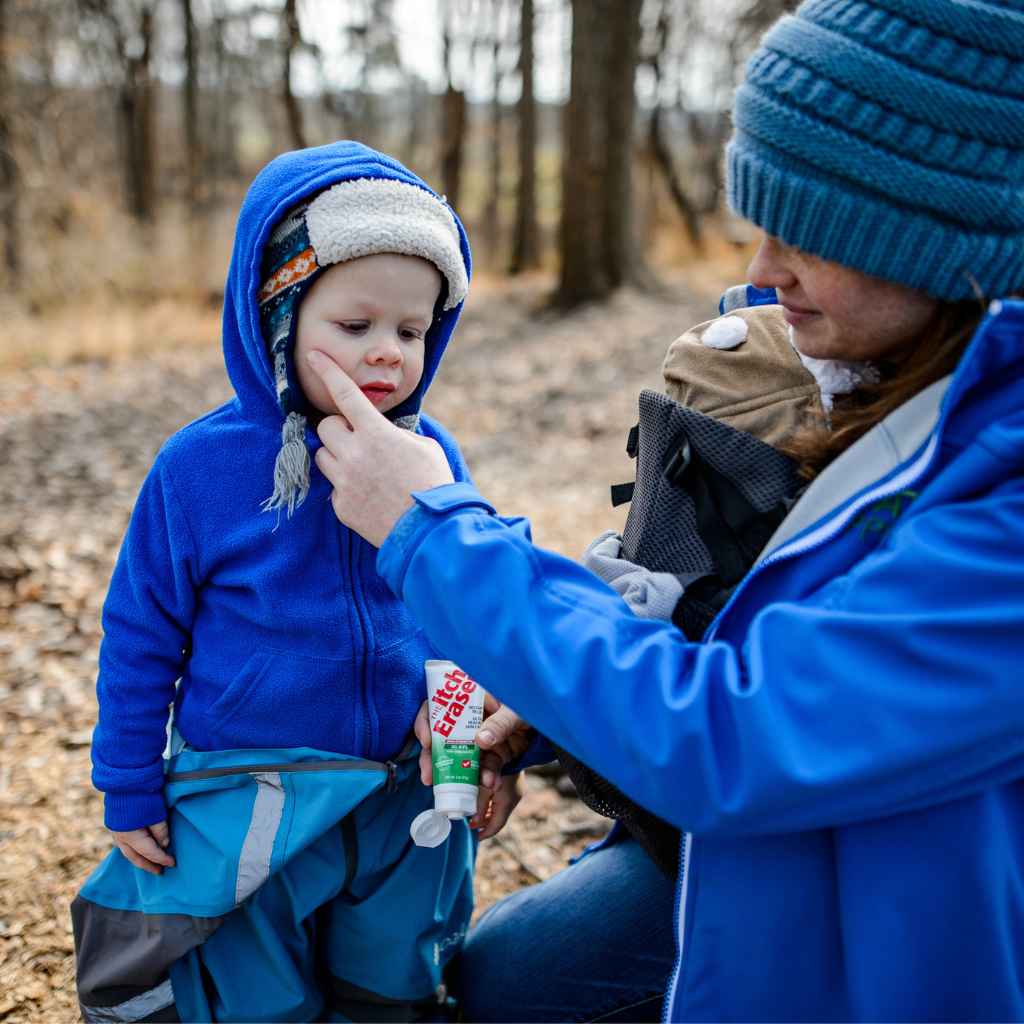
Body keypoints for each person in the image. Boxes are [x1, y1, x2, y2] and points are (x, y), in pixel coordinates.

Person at [308, 1, 1024, 1019]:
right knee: (501, 979)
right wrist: (551, 712)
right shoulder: (906, 393)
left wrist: (433, 530)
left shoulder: (1002, 506)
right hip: (784, 854)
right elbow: (763, 638)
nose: (762, 273)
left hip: (895, 937)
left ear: (935, 240)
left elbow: (735, 736)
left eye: (808, 236)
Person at [71, 140, 512, 1023]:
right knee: (253, 990)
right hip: (250, 789)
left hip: (397, 791)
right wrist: (127, 780)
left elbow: (455, 617)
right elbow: (141, 633)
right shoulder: (199, 470)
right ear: (277, 312)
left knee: (394, 979)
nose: (388, 353)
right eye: (355, 327)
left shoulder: (430, 458)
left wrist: (471, 753)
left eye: (413, 330)